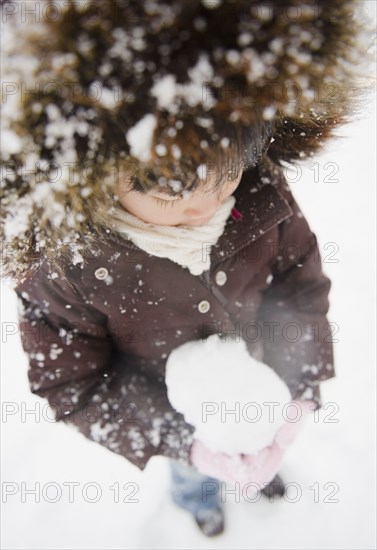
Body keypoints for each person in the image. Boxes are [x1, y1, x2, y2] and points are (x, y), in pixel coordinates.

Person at [0, 0, 368, 538]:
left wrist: (299, 385)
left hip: (261, 379)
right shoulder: (66, 270)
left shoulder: (262, 194)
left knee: (257, 444)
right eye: (172, 191)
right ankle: (199, 498)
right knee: (197, 473)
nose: (205, 205)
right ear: (97, 175)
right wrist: (183, 440)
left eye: (225, 177)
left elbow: (302, 285)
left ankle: (258, 471)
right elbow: (74, 382)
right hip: (177, 416)